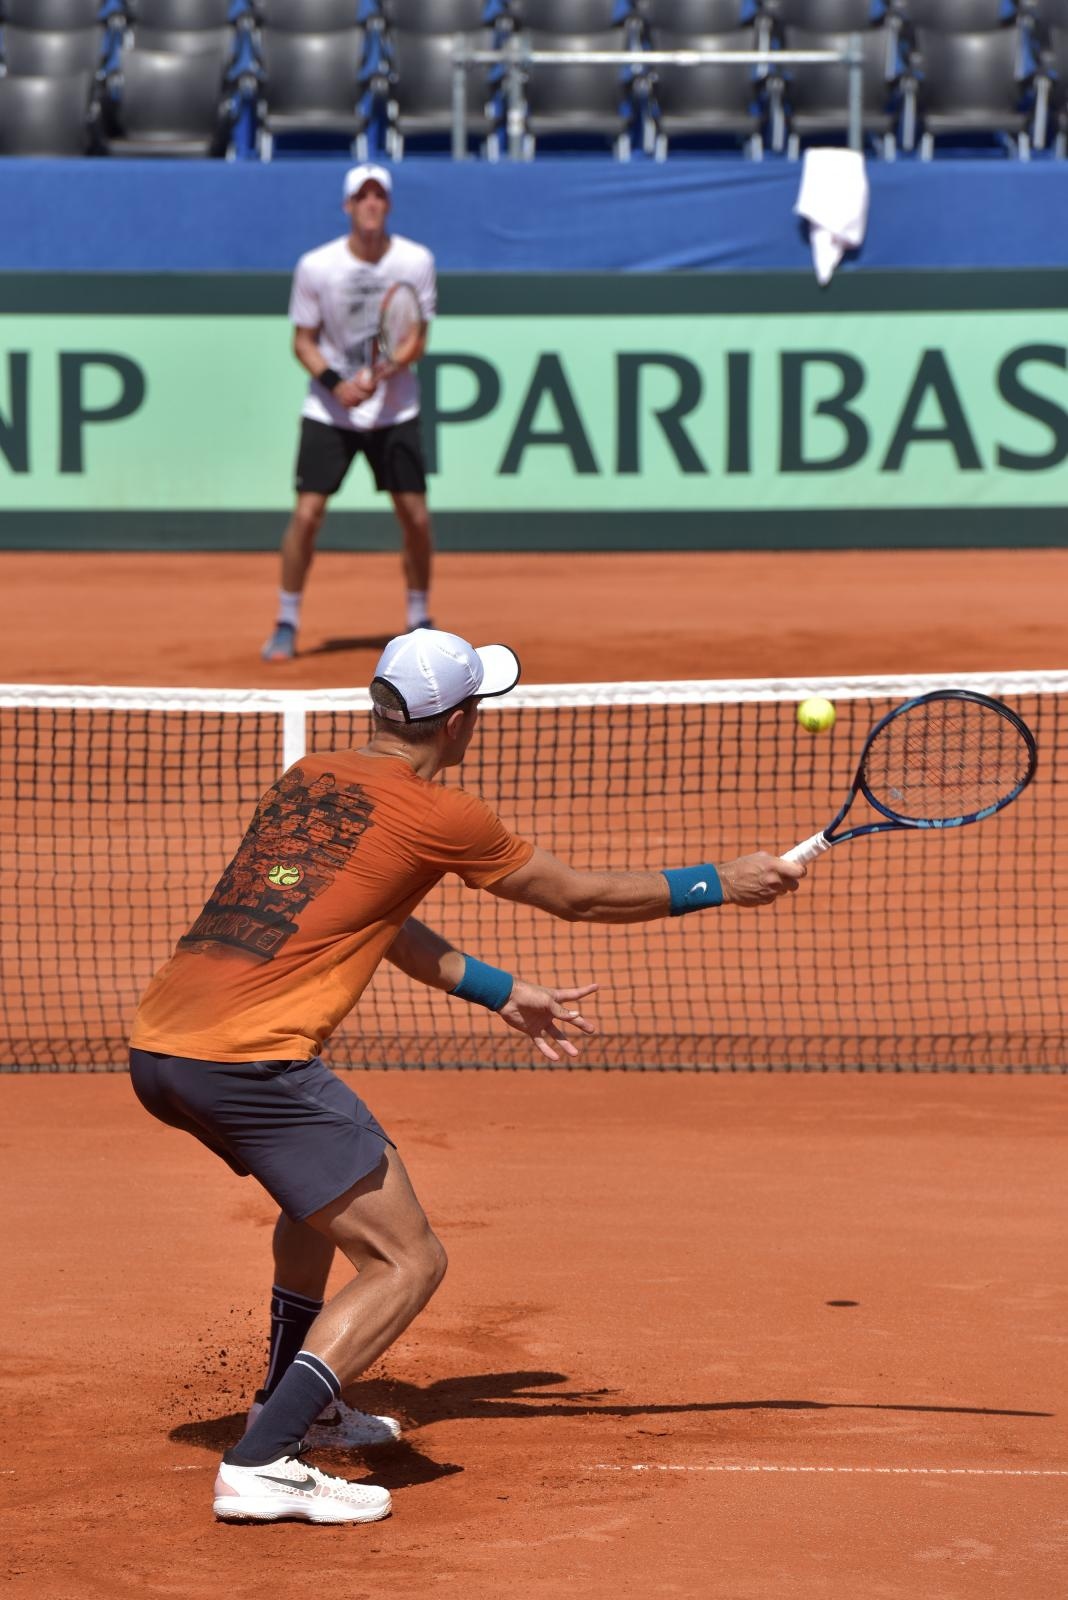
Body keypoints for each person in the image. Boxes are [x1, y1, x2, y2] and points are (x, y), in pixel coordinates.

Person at [129, 628, 804, 1526]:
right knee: (408, 1259)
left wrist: (500, 991)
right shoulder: (442, 813)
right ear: (457, 724)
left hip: (164, 1048)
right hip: (252, 1061)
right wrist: (719, 880)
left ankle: (293, 1400)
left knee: (315, 1205)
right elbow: (579, 896)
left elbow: (378, 916)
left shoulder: (308, 782)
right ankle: (264, 1461)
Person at [262, 163, 436, 664]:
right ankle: (286, 620)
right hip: (329, 412)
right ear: (348, 206)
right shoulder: (316, 266)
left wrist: (380, 375)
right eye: (362, 197)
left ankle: (419, 617)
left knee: (416, 518)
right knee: (308, 514)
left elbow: (416, 339)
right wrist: (336, 384)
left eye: (379, 196)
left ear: (389, 205)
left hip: (396, 410)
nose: (371, 204)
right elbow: (303, 341)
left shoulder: (416, 261)